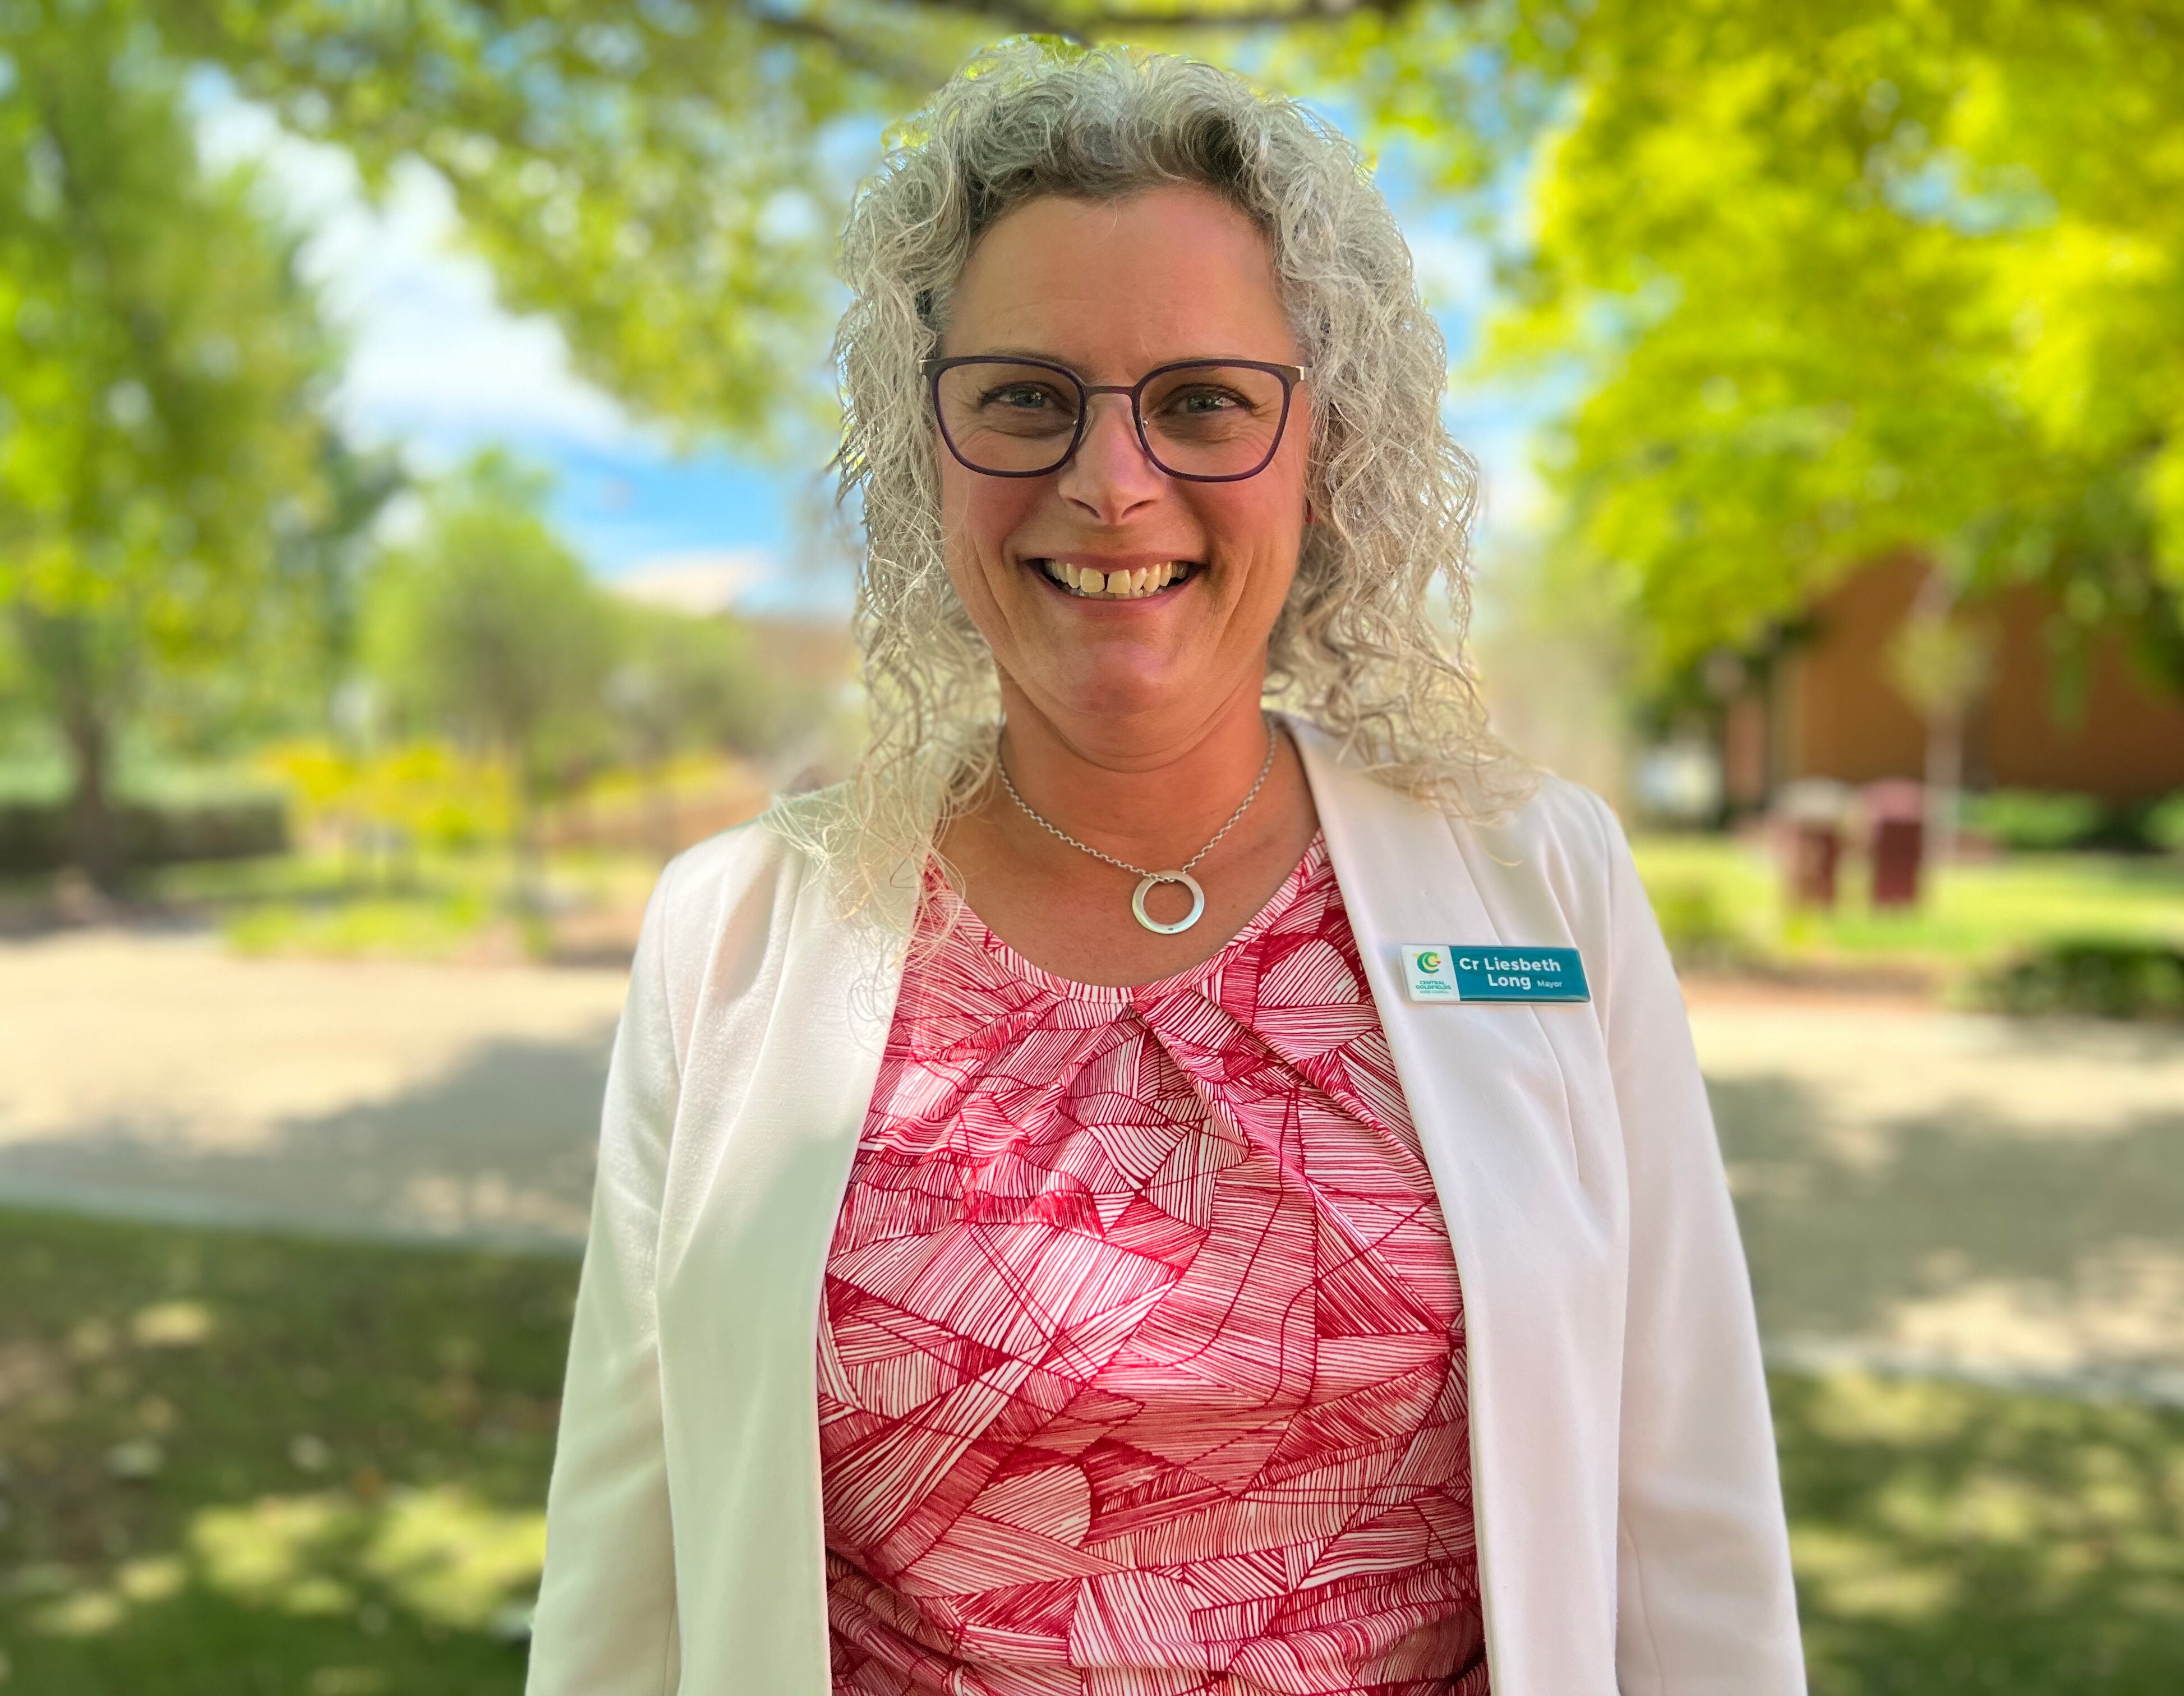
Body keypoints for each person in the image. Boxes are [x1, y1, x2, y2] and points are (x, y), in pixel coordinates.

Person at [526, 41, 1803, 1696]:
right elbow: (627, 1573)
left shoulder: (1542, 889)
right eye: (1026, 397)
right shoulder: (736, 937)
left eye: (1202, 400)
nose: (1111, 482)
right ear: (931, 449)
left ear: (1321, 447)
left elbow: (1686, 1510)